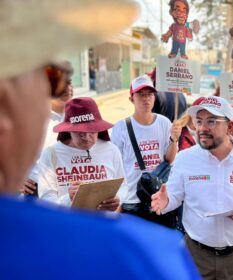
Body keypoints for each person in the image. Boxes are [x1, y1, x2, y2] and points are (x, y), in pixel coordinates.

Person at [0, 0, 199, 278]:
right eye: (53, 76)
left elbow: (122, 182)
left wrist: (112, 202)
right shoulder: (145, 258)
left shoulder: (161, 125)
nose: (88, 138)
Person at [151, 96, 233, 279]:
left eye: (211, 121)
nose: (202, 128)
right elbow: (175, 196)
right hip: (195, 255)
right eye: (199, 121)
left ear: (230, 127)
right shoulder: (185, 158)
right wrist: (166, 201)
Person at [111, 75, 182, 227]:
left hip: (159, 198)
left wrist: (174, 139)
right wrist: (118, 201)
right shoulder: (121, 128)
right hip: (132, 201)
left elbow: (169, 160)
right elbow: (115, 168)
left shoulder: (164, 123)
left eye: (150, 94)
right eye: (141, 95)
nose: (146, 99)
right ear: (131, 99)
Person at [37, 97, 124, 210]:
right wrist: (68, 198)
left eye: (92, 131)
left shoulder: (111, 150)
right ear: (68, 130)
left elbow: (123, 185)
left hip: (102, 223)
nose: (87, 138)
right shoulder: (51, 154)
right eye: (80, 133)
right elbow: (45, 201)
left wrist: (118, 198)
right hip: (68, 224)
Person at [20, 62, 74, 196]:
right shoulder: (31, 119)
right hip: (36, 193)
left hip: (71, 191)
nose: (66, 88)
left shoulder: (79, 115)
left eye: (69, 83)